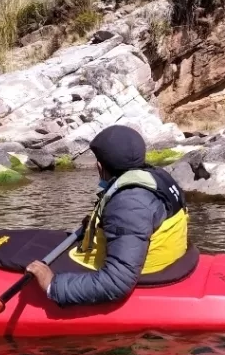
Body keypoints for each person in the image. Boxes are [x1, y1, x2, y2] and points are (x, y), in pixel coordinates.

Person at [26, 124, 190, 307]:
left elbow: (117, 281)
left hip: (148, 273)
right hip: (169, 260)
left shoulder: (130, 203)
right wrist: (100, 223)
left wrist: (52, 285)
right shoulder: (156, 176)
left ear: (100, 165)